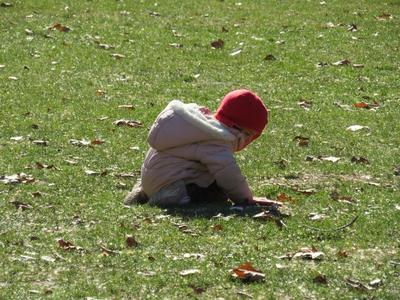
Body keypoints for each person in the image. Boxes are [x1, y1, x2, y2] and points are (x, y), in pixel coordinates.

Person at [123, 89, 270, 207]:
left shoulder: (195, 127)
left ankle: (144, 193)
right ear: (244, 133)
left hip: (152, 181)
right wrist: (246, 198)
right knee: (217, 191)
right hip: (174, 189)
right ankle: (168, 198)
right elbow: (228, 173)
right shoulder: (217, 138)